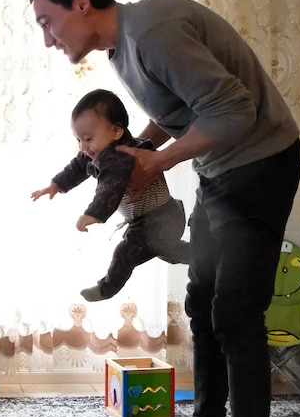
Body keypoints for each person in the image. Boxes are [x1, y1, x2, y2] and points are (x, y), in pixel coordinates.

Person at [30, 0, 300, 417]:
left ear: (81, 1)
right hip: (220, 172)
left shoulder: (150, 32)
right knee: (203, 305)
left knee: (236, 314)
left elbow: (233, 109)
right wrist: (146, 143)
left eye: (48, 21)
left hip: (260, 166)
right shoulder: (121, 51)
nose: (47, 38)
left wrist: (157, 161)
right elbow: (180, 110)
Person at [31, 88, 189, 303]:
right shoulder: (99, 150)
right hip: (156, 220)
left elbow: (110, 188)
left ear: (116, 131)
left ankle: (107, 288)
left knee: (125, 253)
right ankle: (201, 254)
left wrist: (93, 214)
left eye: (87, 139)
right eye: (78, 139)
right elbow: (78, 165)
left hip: (158, 220)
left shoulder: (120, 157)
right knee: (168, 251)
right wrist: (56, 185)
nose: (83, 147)